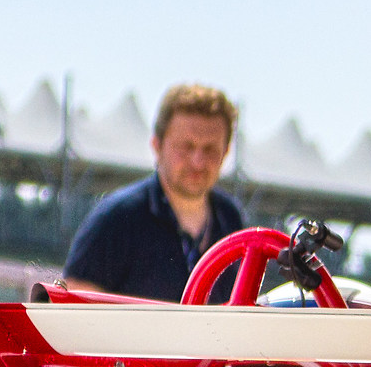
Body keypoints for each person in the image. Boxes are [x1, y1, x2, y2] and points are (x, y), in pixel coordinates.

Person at [63, 84, 248, 301]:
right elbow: (74, 303)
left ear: (225, 152)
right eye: (186, 147)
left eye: (210, 149)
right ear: (157, 145)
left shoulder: (231, 219)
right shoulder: (117, 218)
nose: (198, 162)